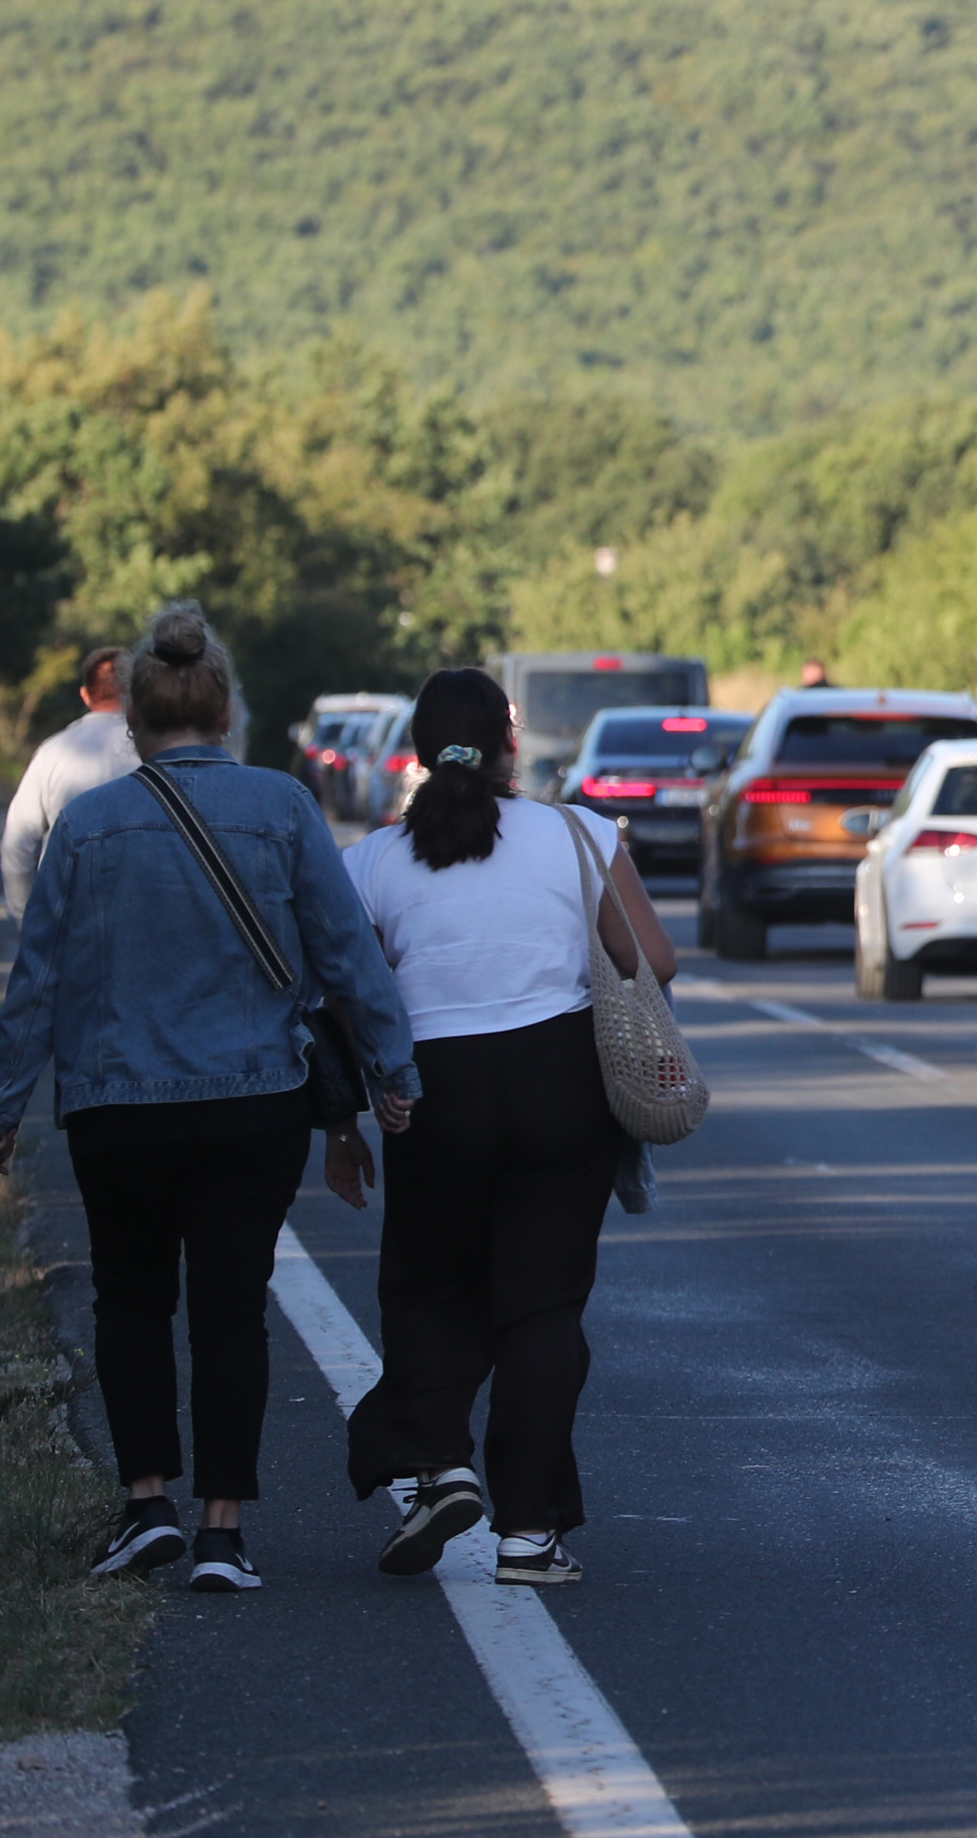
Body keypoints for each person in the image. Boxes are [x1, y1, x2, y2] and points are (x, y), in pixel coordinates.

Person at [0, 606, 420, 1595]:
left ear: (132, 713)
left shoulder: (86, 824)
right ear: (226, 710)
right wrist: (395, 1073)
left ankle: (146, 1505)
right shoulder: (285, 806)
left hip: (115, 1102)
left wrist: (0, 1105)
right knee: (230, 1307)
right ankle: (224, 1530)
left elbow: (36, 977)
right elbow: (348, 955)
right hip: (252, 1101)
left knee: (130, 1296)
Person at [338, 667, 676, 1588]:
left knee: (428, 1286)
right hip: (558, 1084)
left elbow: (350, 999)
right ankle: (529, 1536)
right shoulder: (578, 834)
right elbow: (653, 955)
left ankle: (440, 1466)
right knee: (542, 1307)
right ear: (509, 746)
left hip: (432, 1089)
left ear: (414, 749)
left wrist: (357, 1107)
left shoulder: (371, 861)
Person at [0, 647, 134, 923]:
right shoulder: (155, 752)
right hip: (138, 919)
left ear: (85, 694)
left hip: (67, 917)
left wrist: (25, 917)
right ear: (137, 692)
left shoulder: (53, 752)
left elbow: (17, 844)